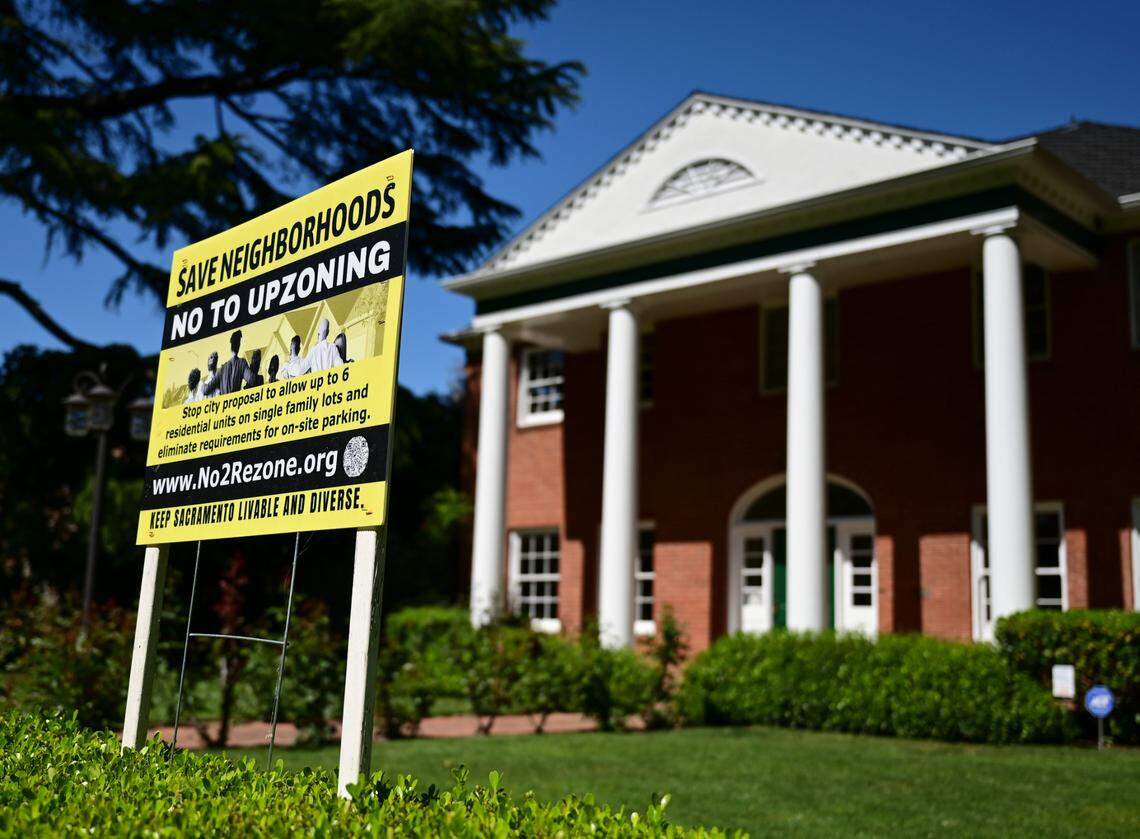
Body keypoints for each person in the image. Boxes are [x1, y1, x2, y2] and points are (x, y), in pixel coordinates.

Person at [203, 330, 254, 396]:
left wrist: (202, 385)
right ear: (239, 345)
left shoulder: (222, 369)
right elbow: (251, 379)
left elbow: (206, 390)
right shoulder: (242, 363)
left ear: (230, 346)